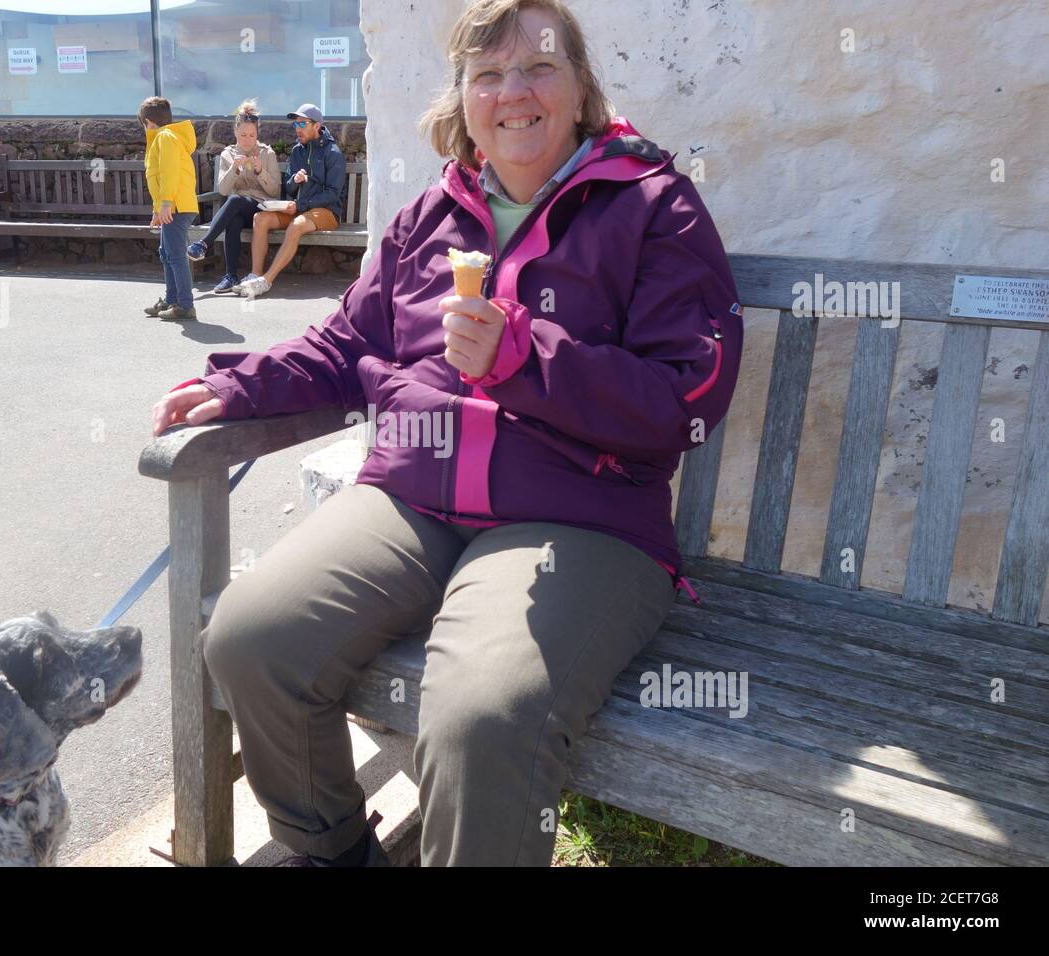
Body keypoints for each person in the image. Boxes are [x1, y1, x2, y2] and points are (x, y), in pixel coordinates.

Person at [151, 0, 743, 866]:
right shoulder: (432, 214)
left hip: (578, 518)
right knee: (248, 640)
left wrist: (525, 357)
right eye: (488, 73)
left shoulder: (654, 206)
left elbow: (685, 391)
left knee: (479, 721)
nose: (515, 92)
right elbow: (350, 340)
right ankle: (333, 850)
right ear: (463, 97)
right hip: (415, 494)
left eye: (540, 67)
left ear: (581, 90)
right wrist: (238, 384)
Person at [232, 103, 344, 299]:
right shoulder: (297, 152)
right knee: (260, 218)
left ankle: (266, 281)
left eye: (302, 124)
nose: (297, 129)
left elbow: (333, 193)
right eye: (296, 125)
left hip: (326, 212)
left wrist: (301, 205)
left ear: (316, 126)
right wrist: (294, 180)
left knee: (296, 225)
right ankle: (255, 275)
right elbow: (289, 188)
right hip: (298, 209)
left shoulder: (332, 152)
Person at [185, 99, 280, 294]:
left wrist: (260, 170)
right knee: (234, 217)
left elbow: (274, 192)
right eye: (243, 134)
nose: (247, 139)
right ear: (235, 132)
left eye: (252, 135)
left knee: (235, 201)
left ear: (257, 134)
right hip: (237, 210)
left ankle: (204, 244)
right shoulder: (228, 154)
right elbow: (222, 190)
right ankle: (230, 276)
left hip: (260, 210)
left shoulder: (267, 153)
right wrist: (234, 168)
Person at [139, 95, 199, 322]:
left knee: (174, 255)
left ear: (147, 122)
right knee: (167, 254)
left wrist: (165, 203)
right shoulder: (165, 137)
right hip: (173, 205)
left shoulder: (165, 138)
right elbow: (160, 177)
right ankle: (172, 299)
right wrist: (158, 208)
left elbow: (168, 172)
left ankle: (184, 304)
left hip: (176, 206)